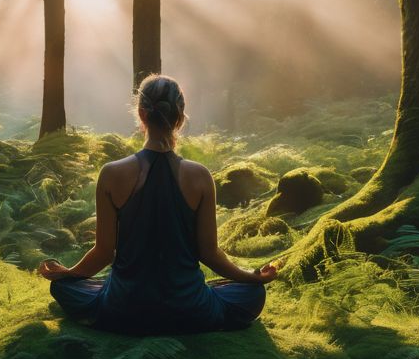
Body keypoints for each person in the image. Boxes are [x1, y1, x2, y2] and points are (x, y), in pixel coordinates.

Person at [37, 74, 277, 334]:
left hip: (123, 308)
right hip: (190, 309)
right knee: (253, 294)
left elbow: (104, 253)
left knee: (63, 287)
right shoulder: (200, 176)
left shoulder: (111, 173)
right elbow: (209, 254)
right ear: (180, 116)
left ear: (141, 114)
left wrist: (67, 274)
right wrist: (251, 277)